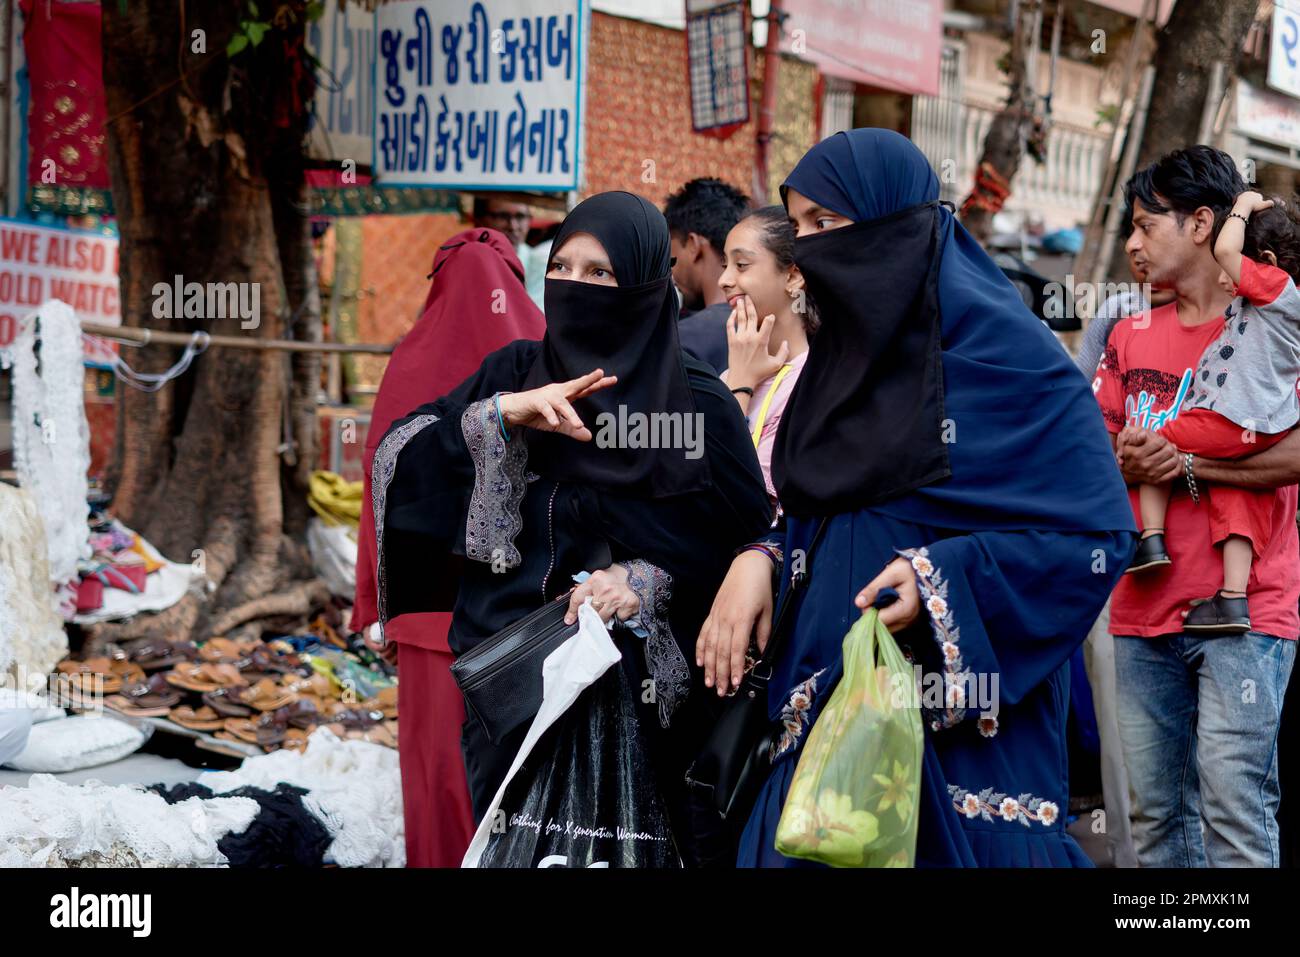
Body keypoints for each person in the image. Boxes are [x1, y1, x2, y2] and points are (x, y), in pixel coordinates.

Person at [698, 128, 1136, 868]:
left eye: (826, 225)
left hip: (963, 766)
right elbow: (824, 519)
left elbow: (1093, 540)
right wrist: (763, 555)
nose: (806, 253)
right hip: (823, 753)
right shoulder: (833, 373)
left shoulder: (1012, 364)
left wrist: (939, 580)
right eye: (798, 227)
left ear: (896, 225)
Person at [371, 191, 772, 849]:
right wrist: (501, 416)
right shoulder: (513, 372)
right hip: (510, 690)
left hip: (644, 709)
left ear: (644, 283)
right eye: (562, 266)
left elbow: (747, 544)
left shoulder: (694, 404)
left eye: (599, 273)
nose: (574, 286)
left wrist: (645, 577)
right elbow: (398, 456)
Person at [1097, 145, 1299, 866]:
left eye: (1148, 225)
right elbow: (1100, 447)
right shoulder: (1126, 334)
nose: (1133, 242)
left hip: (1245, 615)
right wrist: (1131, 454)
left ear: (1202, 224)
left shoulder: (1271, 326)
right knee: (1153, 822)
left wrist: (1184, 462)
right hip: (1140, 608)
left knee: (1235, 815)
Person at [352, 227, 545, 867]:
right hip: (524, 622)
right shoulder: (545, 354)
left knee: (437, 775)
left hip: (427, 621)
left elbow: (376, 493)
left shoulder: (412, 360)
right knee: (510, 781)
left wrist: (375, 601)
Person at [1127, 191, 1300, 636]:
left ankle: (1149, 539)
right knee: (1237, 497)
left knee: (1156, 442)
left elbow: (1225, 250)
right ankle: (1233, 600)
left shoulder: (1278, 290)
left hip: (1230, 419)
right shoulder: (1265, 306)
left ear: (1262, 260)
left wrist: (1244, 203)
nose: (1221, 269)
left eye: (1232, 265)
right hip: (1257, 429)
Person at [717, 205, 815, 513]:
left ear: (793, 276)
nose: (724, 279)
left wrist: (741, 388)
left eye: (741, 265)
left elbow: (744, 496)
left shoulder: (811, 382)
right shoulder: (728, 376)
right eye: (725, 264)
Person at [663, 178, 752, 373]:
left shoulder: (681, 339)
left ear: (694, 244)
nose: (670, 272)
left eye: (671, 256)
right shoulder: (772, 327)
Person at [473, 194, 548, 310]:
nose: (513, 226)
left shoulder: (540, 265)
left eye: (520, 217)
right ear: (479, 220)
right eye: (502, 216)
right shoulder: (466, 264)